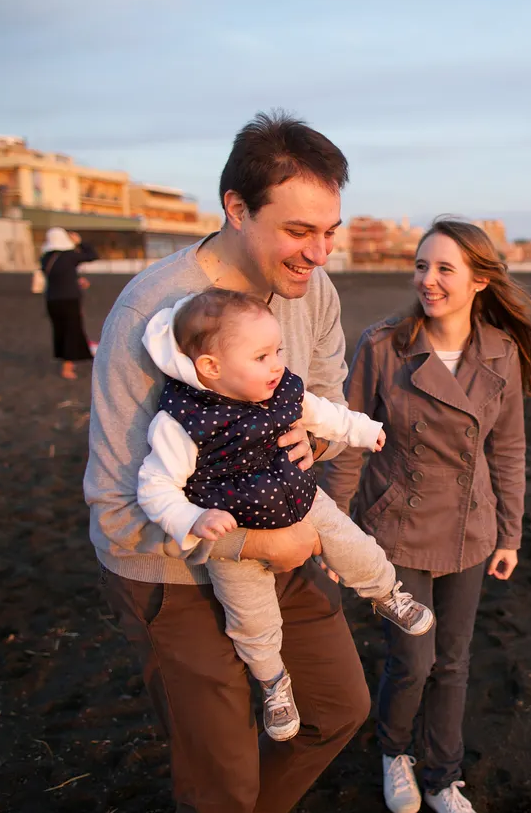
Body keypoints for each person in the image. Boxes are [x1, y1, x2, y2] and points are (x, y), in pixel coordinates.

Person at [85, 111, 371, 813]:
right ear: (237, 209)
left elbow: (329, 403)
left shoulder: (318, 296)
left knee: (339, 707)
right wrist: (252, 543)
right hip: (168, 572)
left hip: (282, 539)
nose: (319, 253)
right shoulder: (151, 310)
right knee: (221, 779)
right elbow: (118, 507)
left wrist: (322, 444)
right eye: (300, 231)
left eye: (330, 230)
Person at [322, 217, 531, 813]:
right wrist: (333, 530)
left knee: (453, 660)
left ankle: (443, 776)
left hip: (471, 532)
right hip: (396, 529)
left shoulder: (500, 351)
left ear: (479, 280)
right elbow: (350, 442)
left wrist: (510, 534)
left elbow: (507, 450)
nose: (428, 280)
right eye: (422, 266)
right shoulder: (382, 346)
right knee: (414, 660)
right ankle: (395, 752)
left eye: (445, 268)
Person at [136, 287, 434, 743]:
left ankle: (386, 593)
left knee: (356, 548)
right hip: (235, 532)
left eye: (277, 350)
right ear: (211, 368)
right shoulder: (183, 421)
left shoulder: (282, 390)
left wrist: (363, 430)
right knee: (250, 619)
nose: (277, 363)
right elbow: (154, 487)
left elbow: (324, 415)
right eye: (261, 356)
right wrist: (190, 519)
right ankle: (274, 681)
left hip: (303, 500)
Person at [41, 227, 97, 379]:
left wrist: (75, 281)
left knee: (60, 331)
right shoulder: (69, 256)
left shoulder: (45, 258)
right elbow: (92, 255)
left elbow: (59, 276)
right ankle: (67, 367)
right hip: (69, 299)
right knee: (71, 331)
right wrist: (80, 242)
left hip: (52, 299)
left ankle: (69, 360)